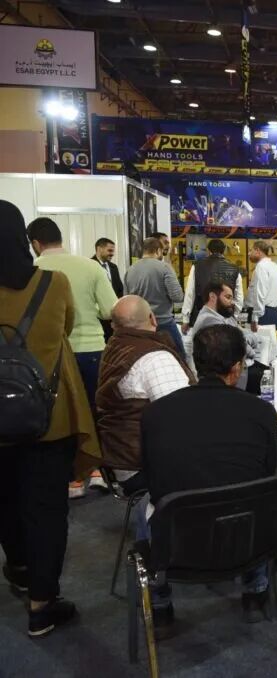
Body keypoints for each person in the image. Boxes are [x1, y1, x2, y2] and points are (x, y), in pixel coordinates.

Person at [0, 201, 100, 636]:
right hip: (48, 416)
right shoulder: (52, 283)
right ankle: (42, 604)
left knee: (5, 501)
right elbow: (67, 326)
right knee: (46, 510)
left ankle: (20, 568)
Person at [139, 324, 277, 629]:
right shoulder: (262, 412)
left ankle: (159, 605)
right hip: (247, 538)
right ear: (237, 367)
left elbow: (152, 477)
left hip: (179, 542)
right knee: (260, 496)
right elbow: (268, 473)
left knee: (144, 505)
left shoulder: (156, 413)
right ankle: (256, 590)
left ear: (195, 363)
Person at [95, 296, 193, 491]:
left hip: (120, 459)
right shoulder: (156, 358)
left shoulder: (114, 348)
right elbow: (181, 418)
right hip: (146, 465)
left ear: (113, 325)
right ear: (153, 318)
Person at [28, 218, 118, 411]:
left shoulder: (32, 269)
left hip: (51, 352)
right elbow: (109, 310)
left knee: (61, 412)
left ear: (35, 243)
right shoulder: (91, 266)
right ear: (60, 239)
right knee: (95, 409)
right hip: (92, 349)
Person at [192, 280, 265, 392]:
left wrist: (245, 340)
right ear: (212, 297)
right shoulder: (209, 321)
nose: (232, 302)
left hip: (243, 368)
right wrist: (246, 342)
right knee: (273, 379)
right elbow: (244, 349)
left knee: (273, 373)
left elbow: (247, 337)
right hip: (232, 377)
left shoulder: (226, 317)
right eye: (228, 297)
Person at [124, 237, 185, 357]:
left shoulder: (130, 270)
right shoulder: (164, 267)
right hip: (163, 324)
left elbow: (126, 299)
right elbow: (177, 296)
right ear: (158, 250)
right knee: (179, 358)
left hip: (139, 326)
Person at [180, 239, 244, 332]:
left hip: (202, 317)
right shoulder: (234, 269)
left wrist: (185, 319)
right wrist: (234, 316)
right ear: (224, 251)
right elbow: (239, 297)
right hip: (225, 318)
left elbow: (190, 293)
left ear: (208, 251)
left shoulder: (197, 266)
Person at [247, 240, 277, 331]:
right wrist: (276, 311)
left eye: (251, 250)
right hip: (273, 313)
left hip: (261, 315)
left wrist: (255, 317)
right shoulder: (275, 267)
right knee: (273, 340)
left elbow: (260, 292)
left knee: (258, 340)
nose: (248, 253)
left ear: (258, 251)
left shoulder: (261, 266)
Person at [92, 238, 124, 342]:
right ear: (99, 249)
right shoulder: (89, 265)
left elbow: (119, 290)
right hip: (97, 316)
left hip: (113, 316)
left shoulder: (114, 267)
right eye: (109, 250)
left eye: (113, 251)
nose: (112, 254)